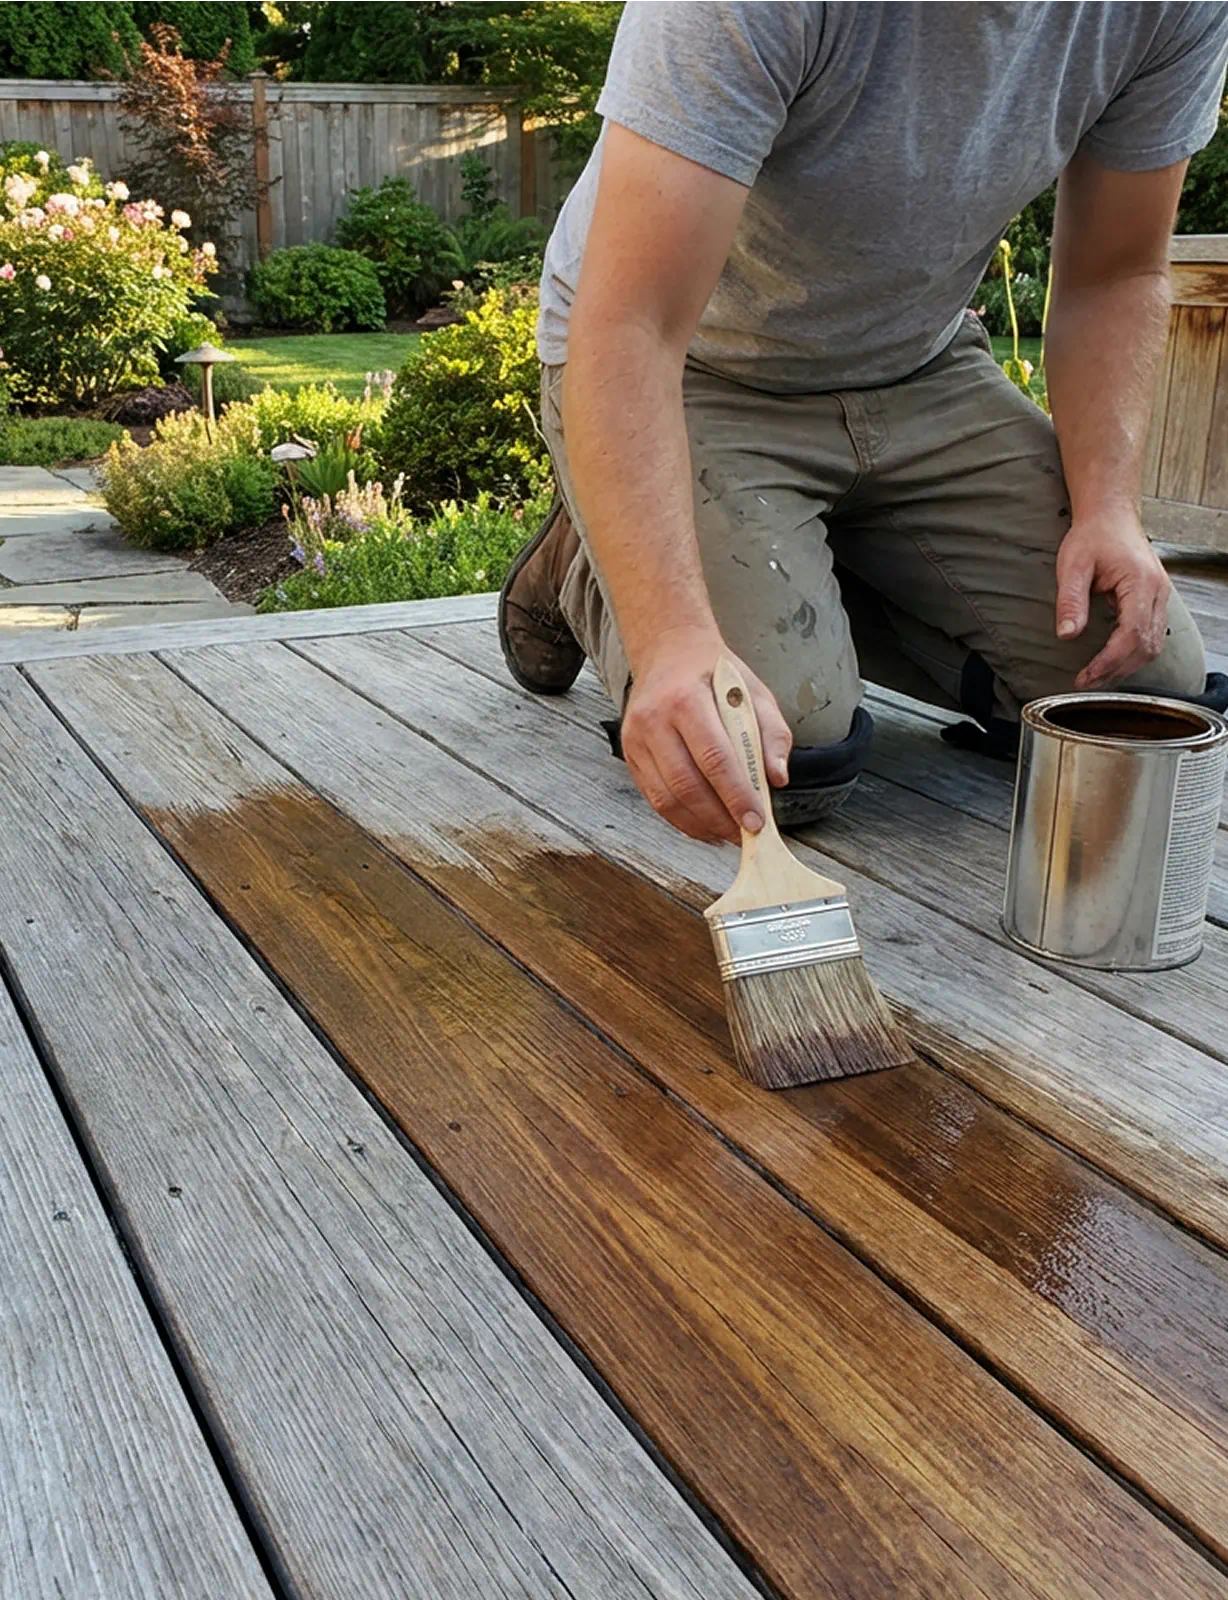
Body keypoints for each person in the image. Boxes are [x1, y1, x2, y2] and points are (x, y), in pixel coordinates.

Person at [498, 0, 1228, 846]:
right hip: (695, 369)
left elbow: (1116, 272)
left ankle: (785, 545)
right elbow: (633, 325)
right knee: (775, 762)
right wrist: (668, 640)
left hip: (918, 368)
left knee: (1141, 698)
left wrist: (1109, 512)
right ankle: (587, 559)